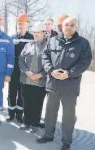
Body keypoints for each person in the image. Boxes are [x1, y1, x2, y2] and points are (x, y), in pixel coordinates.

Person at [36, 17, 92, 150]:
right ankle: (48, 135)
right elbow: (45, 56)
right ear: (62, 25)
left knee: (68, 117)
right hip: (53, 84)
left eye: (72, 25)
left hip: (70, 86)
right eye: (67, 24)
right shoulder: (53, 40)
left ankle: (66, 142)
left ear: (75, 27)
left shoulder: (82, 43)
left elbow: (85, 61)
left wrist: (69, 73)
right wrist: (51, 70)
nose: (69, 27)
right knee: (50, 113)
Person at [18, 22, 47, 133]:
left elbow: (52, 64)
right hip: (26, 80)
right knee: (27, 102)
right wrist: (26, 72)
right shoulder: (28, 45)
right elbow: (20, 60)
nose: (36, 34)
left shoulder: (48, 46)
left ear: (44, 33)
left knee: (37, 103)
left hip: (40, 82)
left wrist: (41, 74)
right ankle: (26, 122)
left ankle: (34, 124)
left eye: (38, 32)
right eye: (34, 32)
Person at [6, 13, 33, 123]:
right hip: (13, 71)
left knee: (22, 94)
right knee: (11, 93)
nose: (21, 26)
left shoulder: (31, 38)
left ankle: (19, 115)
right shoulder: (12, 38)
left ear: (27, 25)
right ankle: (11, 114)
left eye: (23, 23)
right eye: (19, 24)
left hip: (25, 71)